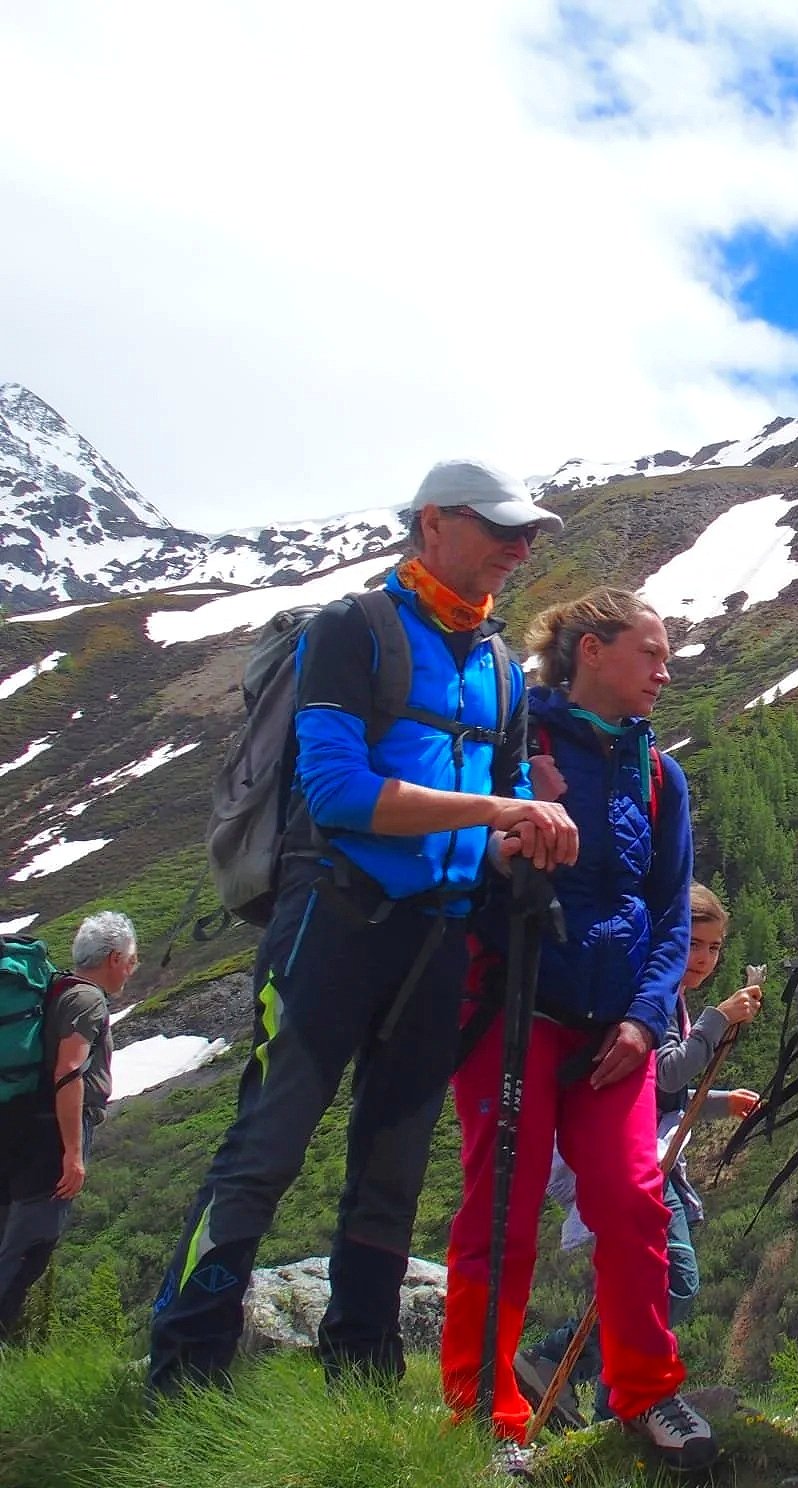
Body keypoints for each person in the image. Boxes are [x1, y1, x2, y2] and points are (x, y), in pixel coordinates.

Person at [149, 460, 578, 1394]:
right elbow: (337, 793)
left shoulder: (500, 664)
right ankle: (185, 1367)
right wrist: (497, 817)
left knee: (392, 1164)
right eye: (500, 527)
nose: (521, 545)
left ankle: (363, 1375)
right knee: (268, 1145)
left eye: (528, 532)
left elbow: (499, 803)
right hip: (332, 923)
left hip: (439, 935)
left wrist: (523, 833)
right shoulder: (353, 630)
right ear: (432, 524)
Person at [436, 586, 716, 1473]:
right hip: (512, 1014)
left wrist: (642, 1019)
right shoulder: (516, 744)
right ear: (591, 650)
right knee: (502, 1209)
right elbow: (460, 860)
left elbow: (670, 915)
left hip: (612, 1033)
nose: (664, 674)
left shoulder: (658, 775)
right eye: (651, 653)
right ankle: (484, 1413)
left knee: (635, 1202)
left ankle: (646, 1394)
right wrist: (512, 823)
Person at [516, 881, 763, 1426]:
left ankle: (611, 1400)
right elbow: (666, 1073)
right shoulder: (650, 996)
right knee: (675, 1277)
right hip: (635, 1156)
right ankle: (559, 1360)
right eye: (695, 943)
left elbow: (662, 1087)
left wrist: (722, 1103)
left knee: (649, 1279)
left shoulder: (667, 995)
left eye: (715, 948)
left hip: (647, 1150)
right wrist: (716, 1021)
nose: (703, 958)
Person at [0, 912, 134, 1338]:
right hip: (49, 1139)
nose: (133, 967)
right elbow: (69, 1071)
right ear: (114, 958)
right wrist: (73, 1153)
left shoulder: (55, 988)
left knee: (11, 1242)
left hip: (18, 1127)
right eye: (131, 958)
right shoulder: (87, 1000)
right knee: (28, 1249)